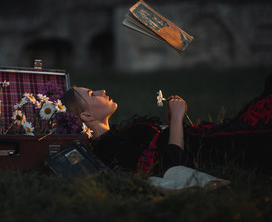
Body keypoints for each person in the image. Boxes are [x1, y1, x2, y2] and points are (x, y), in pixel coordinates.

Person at [61, 74, 272, 176]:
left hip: (208, 138)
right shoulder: (111, 148)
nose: (101, 91)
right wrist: (178, 119)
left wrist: (171, 121)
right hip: (217, 148)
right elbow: (174, 166)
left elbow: (160, 146)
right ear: (87, 115)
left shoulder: (116, 134)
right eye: (91, 94)